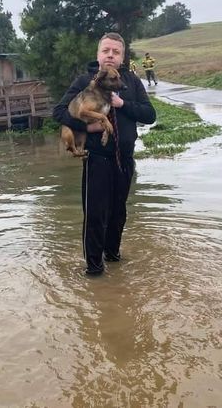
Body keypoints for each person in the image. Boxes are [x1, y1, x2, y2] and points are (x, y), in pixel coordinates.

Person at [53, 32, 156, 275]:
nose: (110, 55)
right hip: (96, 159)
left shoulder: (130, 82)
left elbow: (150, 115)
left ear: (122, 56)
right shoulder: (83, 82)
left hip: (125, 159)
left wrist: (124, 105)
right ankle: (94, 270)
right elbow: (59, 113)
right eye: (106, 51)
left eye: (116, 52)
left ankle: (113, 257)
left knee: (119, 212)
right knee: (95, 215)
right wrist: (87, 127)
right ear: (98, 54)